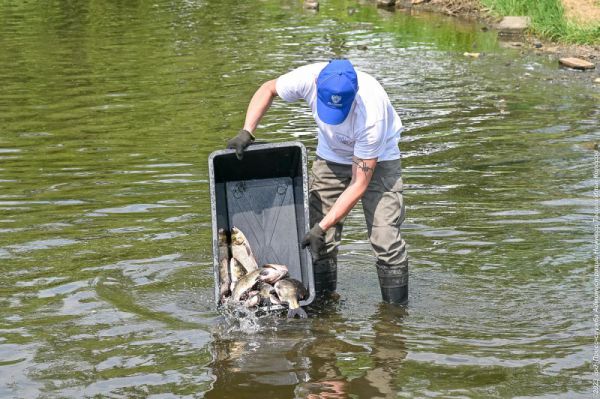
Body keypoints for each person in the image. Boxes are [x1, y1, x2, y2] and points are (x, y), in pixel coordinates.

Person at [227, 59, 408, 304]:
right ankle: (323, 306)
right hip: (331, 157)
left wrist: (322, 226)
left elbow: (359, 184)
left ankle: (394, 318)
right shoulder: (306, 78)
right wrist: (248, 130)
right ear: (316, 86)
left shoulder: (371, 117)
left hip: (379, 159)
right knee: (320, 243)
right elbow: (268, 88)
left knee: (385, 240)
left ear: (354, 96)